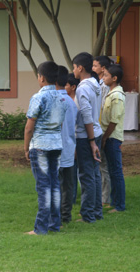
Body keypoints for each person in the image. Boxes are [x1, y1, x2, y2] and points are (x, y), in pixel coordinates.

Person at [24, 61, 68, 235]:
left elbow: (29, 127)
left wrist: (26, 148)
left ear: (41, 78)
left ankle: (40, 228)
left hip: (40, 145)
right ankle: (54, 224)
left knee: (43, 186)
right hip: (56, 144)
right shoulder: (63, 98)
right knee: (54, 184)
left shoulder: (38, 97)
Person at [72, 52, 103, 223]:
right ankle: (96, 212)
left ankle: (88, 215)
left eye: (74, 67)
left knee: (86, 176)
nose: (73, 71)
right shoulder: (95, 84)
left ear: (80, 68)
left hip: (87, 137)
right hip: (95, 133)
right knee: (94, 174)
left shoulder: (83, 88)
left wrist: (91, 142)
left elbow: (86, 116)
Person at [101, 64, 126, 213]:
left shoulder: (117, 96)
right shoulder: (111, 93)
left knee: (116, 171)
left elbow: (114, 120)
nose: (103, 78)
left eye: (106, 75)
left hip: (112, 138)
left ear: (114, 78)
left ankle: (119, 205)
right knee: (111, 170)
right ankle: (114, 201)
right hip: (109, 137)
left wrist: (105, 137)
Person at [56, 66, 78, 224]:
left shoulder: (51, 100)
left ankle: (56, 215)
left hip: (55, 148)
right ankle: (66, 215)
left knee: (55, 183)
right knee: (68, 185)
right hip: (70, 147)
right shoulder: (71, 102)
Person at [93, 55, 112, 208]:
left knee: (103, 164)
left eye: (95, 66)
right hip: (99, 127)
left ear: (103, 68)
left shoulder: (104, 87)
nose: (93, 68)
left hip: (101, 127)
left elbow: (103, 108)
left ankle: (105, 197)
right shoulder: (98, 83)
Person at [65, 73, 80, 205]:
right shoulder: (67, 100)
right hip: (71, 139)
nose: (64, 87)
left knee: (75, 169)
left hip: (76, 138)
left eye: (66, 85)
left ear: (73, 87)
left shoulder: (75, 102)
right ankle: (72, 197)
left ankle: (72, 196)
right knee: (72, 169)